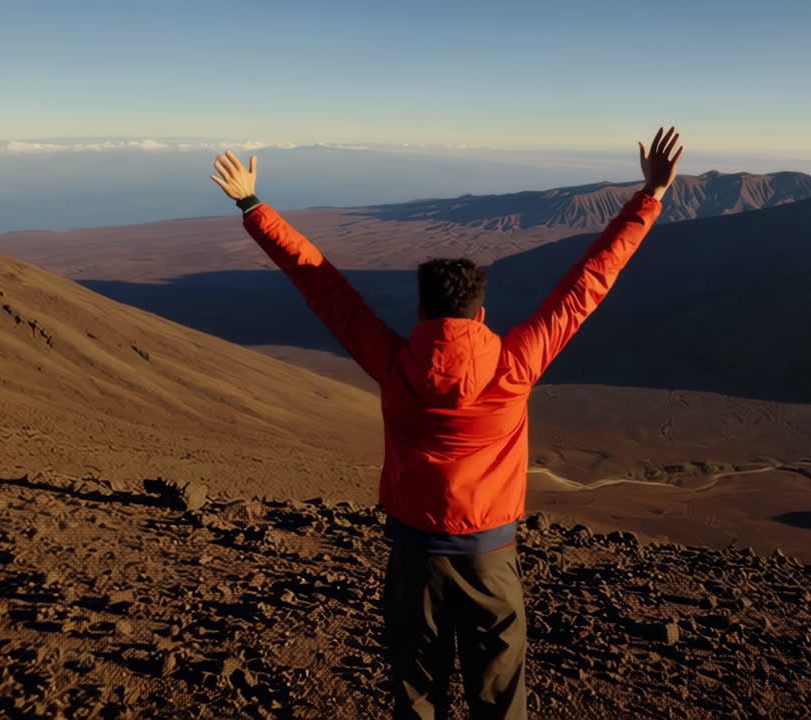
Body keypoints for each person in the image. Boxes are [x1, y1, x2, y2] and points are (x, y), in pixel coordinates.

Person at [210, 127, 683, 719]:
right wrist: (650, 196)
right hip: (492, 555)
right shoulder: (517, 363)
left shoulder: (392, 363)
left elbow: (322, 283)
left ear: (421, 311)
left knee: (417, 691)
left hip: (414, 556)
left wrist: (252, 206)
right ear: (481, 312)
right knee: (499, 695)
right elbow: (588, 282)